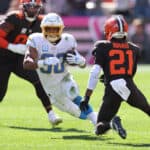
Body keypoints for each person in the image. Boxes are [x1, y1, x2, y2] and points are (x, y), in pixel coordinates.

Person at [80, 15, 150, 139]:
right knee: (147, 109)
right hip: (128, 86)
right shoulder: (135, 49)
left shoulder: (102, 46)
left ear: (109, 30)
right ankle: (113, 123)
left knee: (99, 127)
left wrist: (87, 96)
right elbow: (129, 73)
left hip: (112, 88)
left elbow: (95, 72)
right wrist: (110, 76)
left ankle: (112, 124)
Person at [23, 13, 97, 128]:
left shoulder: (68, 40)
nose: (52, 32)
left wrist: (81, 61)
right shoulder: (35, 40)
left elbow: (80, 63)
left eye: (55, 29)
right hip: (51, 88)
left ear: (61, 29)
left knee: (75, 96)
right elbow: (26, 64)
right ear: (43, 29)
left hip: (64, 78)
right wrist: (43, 63)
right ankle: (100, 119)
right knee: (74, 111)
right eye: (49, 29)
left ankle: (98, 121)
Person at [0, 0, 62, 127]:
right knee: (0, 92)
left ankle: (51, 114)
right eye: (30, 6)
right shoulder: (14, 18)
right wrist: (11, 46)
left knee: (38, 81)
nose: (33, 10)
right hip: (3, 59)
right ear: (24, 7)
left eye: (36, 7)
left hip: (20, 60)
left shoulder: (41, 22)